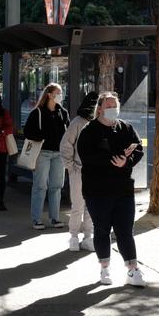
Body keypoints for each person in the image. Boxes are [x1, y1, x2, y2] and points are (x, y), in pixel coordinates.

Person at [76, 92, 145, 287]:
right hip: (97, 190)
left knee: (125, 230)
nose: (113, 109)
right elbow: (86, 156)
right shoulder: (89, 130)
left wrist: (127, 161)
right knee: (102, 229)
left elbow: (138, 148)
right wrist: (111, 160)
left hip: (123, 189)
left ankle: (133, 270)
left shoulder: (125, 127)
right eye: (109, 106)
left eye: (115, 105)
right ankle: (104, 267)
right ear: (99, 109)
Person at [24, 83, 69, 230]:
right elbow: (28, 132)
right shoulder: (37, 112)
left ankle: (55, 218)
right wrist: (42, 136)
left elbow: (67, 132)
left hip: (59, 154)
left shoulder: (63, 112)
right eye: (58, 92)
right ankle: (36, 219)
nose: (61, 95)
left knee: (56, 186)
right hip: (42, 153)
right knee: (40, 186)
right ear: (49, 94)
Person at [60, 92, 99, 252]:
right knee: (78, 205)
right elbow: (66, 144)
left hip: (95, 172)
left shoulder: (100, 123)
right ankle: (74, 236)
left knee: (91, 206)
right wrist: (70, 166)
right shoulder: (78, 122)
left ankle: (88, 236)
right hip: (79, 170)